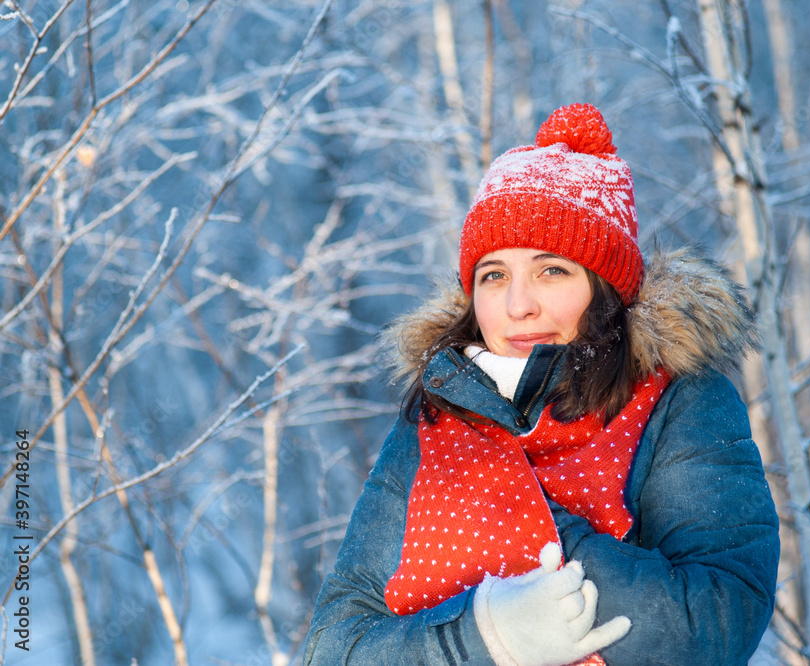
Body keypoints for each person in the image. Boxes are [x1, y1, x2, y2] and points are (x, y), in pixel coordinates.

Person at [303, 103, 780, 665]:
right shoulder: (433, 424)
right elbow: (333, 647)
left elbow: (714, 627)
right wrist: (485, 638)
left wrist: (510, 514)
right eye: (494, 275)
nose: (518, 305)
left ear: (605, 286)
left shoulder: (679, 403)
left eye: (552, 270)